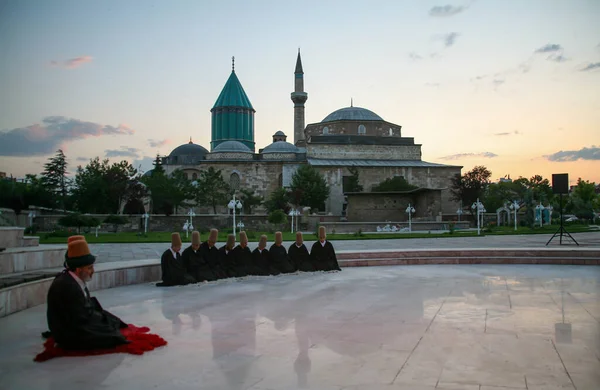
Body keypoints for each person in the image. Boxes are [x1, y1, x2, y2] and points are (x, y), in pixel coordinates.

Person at [45, 238, 129, 350]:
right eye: (89, 268)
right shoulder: (67, 286)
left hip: (77, 320)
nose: (93, 271)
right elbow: (80, 318)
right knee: (112, 335)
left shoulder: (72, 278)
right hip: (69, 332)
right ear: (79, 270)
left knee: (110, 320)